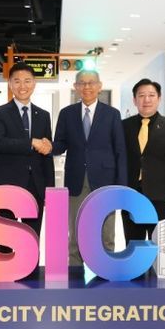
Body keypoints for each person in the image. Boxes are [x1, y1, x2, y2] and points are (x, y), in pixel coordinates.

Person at [52, 70, 127, 265]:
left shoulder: (112, 114)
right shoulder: (66, 114)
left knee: (106, 233)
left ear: (99, 86)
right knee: (76, 233)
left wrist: (121, 186)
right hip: (76, 180)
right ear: (75, 87)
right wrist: (47, 146)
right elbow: (59, 144)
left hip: (105, 182)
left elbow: (120, 150)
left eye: (91, 83)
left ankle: (105, 271)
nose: (87, 87)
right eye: (82, 83)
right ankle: (75, 275)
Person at [0, 62, 54, 251]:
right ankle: (4, 269)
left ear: (34, 83)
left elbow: (46, 154)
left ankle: (32, 269)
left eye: (27, 81)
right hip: (8, 184)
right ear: (10, 84)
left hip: (36, 185)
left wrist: (49, 189)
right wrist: (31, 143)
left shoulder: (43, 115)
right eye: (17, 81)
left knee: (32, 239)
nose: (22, 86)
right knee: (6, 239)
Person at [122, 78, 165, 241]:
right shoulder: (124, 126)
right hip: (131, 195)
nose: (146, 100)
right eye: (141, 95)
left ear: (159, 98)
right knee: (133, 243)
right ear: (134, 100)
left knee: (159, 244)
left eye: (151, 95)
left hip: (160, 197)